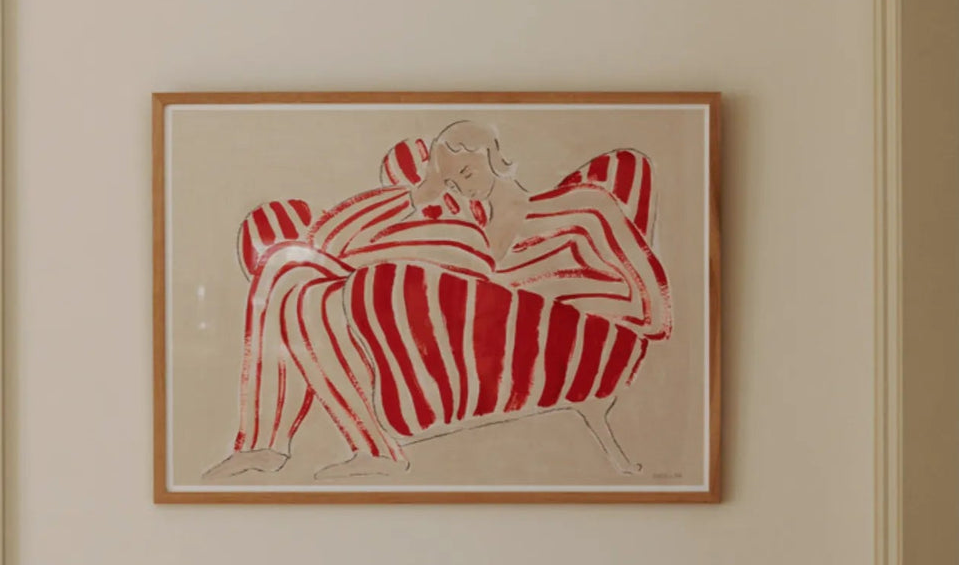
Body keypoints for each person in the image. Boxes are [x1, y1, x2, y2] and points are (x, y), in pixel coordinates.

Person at [204, 122, 670, 482]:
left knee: (327, 280)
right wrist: (413, 196)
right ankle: (275, 445)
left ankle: (366, 449)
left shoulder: (582, 206)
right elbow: (330, 240)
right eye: (447, 179)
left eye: (465, 172)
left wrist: (549, 289)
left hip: (556, 334)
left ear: (497, 157)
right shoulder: (472, 227)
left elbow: (654, 310)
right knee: (290, 269)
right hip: (470, 335)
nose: (459, 187)